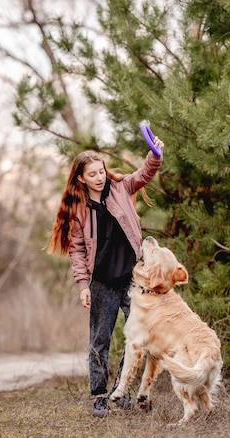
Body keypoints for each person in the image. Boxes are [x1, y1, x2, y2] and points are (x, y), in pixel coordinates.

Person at [46, 138, 164, 417]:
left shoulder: (121, 188)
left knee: (140, 335)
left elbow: (144, 174)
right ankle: (100, 395)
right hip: (101, 281)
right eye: (92, 174)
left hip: (133, 277)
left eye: (101, 171)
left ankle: (119, 391)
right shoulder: (78, 208)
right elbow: (76, 249)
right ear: (81, 178)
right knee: (100, 339)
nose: (99, 177)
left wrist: (155, 155)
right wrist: (83, 286)